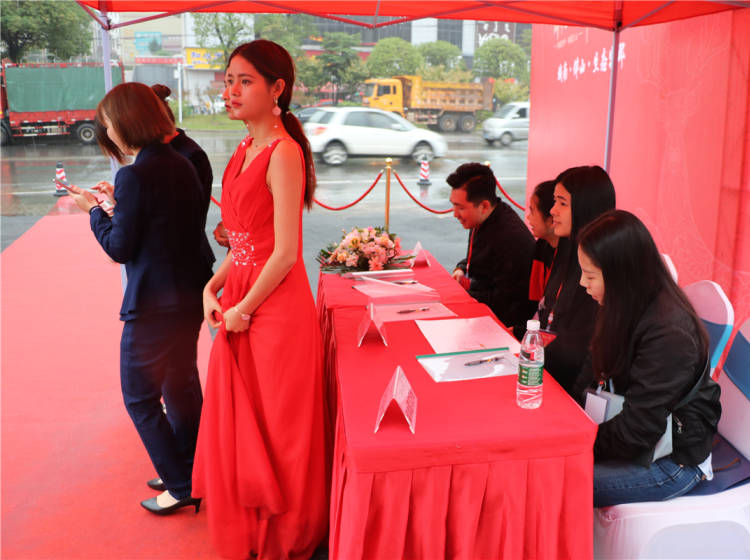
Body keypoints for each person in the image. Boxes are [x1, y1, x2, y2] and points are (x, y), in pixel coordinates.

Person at [192, 40, 327, 559]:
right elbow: (248, 244)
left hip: (275, 310)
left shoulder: (284, 152)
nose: (231, 91)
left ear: (277, 89)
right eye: (229, 80)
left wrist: (243, 308)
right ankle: (254, 527)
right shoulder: (243, 149)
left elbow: (286, 252)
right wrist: (212, 287)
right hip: (241, 301)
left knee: (279, 425)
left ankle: (287, 533)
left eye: (244, 81)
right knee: (246, 420)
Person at [68, 82, 212, 514]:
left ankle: (181, 484)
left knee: (140, 397)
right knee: (180, 385)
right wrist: (119, 206)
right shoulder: (183, 160)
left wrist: (94, 212)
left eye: (109, 124)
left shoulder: (133, 174)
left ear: (125, 122)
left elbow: (120, 248)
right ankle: (193, 470)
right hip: (188, 293)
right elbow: (165, 225)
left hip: (153, 303)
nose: (109, 132)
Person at [573, 210, 721, 507]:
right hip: (632, 440)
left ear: (621, 273)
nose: (581, 283)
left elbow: (638, 430)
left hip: (672, 462)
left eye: (589, 275)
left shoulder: (669, 333)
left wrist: (578, 446)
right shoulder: (623, 302)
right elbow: (592, 368)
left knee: (554, 483)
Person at [537, 165, 616, 395]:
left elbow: (584, 352)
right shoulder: (566, 248)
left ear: (586, 207)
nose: (552, 210)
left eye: (562, 203)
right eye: (555, 201)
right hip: (550, 371)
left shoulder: (602, 265)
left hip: (573, 389)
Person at [449, 162, 535, 328]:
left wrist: (462, 296)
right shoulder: (482, 218)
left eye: (460, 208)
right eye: (453, 205)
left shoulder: (510, 237)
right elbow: (477, 260)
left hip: (503, 323)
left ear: (484, 206)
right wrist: (461, 269)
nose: (455, 214)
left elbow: (505, 301)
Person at [526, 180, 558, 306]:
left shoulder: (571, 256)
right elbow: (535, 300)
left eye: (532, 211)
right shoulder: (541, 245)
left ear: (551, 219)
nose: (528, 217)